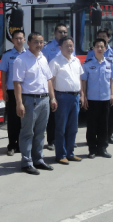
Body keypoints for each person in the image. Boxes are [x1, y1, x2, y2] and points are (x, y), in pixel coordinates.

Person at [13, 32, 57, 175]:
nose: (40, 45)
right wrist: (19, 103)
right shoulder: (21, 60)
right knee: (27, 132)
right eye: (36, 42)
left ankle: (38, 159)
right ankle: (27, 162)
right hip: (29, 100)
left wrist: (52, 98)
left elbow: (49, 79)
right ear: (29, 43)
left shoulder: (43, 58)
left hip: (44, 99)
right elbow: (17, 83)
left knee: (40, 132)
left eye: (42, 42)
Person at [48, 36, 83, 165]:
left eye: (71, 45)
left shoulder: (76, 61)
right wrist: (52, 98)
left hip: (75, 96)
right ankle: (61, 154)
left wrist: (82, 94)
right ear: (60, 48)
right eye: (67, 46)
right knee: (61, 127)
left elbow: (79, 79)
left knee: (73, 127)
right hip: (62, 97)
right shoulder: (55, 62)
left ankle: (70, 153)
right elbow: (50, 81)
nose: (70, 48)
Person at [85, 28, 113, 145]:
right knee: (94, 119)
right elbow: (87, 70)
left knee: (109, 116)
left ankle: (108, 136)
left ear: (108, 38)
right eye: (99, 36)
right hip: (95, 92)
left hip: (108, 90)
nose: (101, 38)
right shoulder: (92, 52)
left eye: (103, 36)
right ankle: (94, 142)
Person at [81, 38, 113, 159]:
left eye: (102, 47)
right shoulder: (88, 64)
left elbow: (111, 80)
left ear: (105, 49)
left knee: (103, 125)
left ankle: (102, 148)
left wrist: (111, 94)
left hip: (105, 99)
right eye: (97, 46)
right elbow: (83, 81)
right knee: (92, 125)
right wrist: (83, 96)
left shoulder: (109, 64)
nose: (100, 49)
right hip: (92, 99)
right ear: (93, 48)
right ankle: (92, 149)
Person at [41, 23, 73, 151]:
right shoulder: (48, 48)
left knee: (67, 116)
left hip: (67, 87)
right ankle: (52, 141)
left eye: (65, 32)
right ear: (55, 33)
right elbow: (44, 68)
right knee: (54, 115)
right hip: (53, 86)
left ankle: (66, 140)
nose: (63, 34)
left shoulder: (70, 47)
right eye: (60, 32)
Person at [0, 30, 27, 156]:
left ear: (24, 40)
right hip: (11, 90)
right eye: (16, 38)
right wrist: (4, 91)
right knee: (13, 119)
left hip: (26, 91)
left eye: (21, 38)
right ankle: (12, 145)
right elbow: (3, 73)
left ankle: (22, 144)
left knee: (24, 120)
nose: (19, 40)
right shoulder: (7, 55)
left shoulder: (29, 54)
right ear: (12, 40)